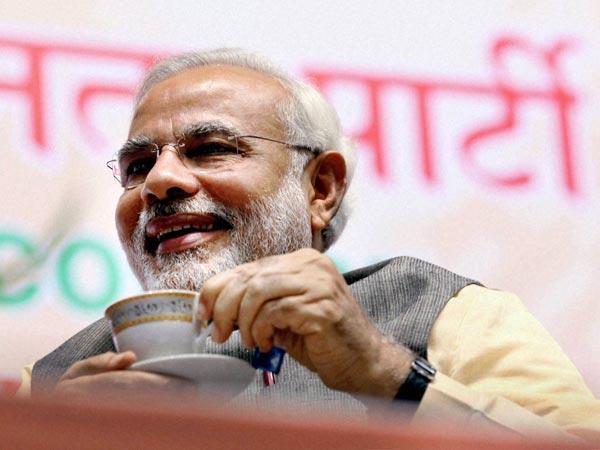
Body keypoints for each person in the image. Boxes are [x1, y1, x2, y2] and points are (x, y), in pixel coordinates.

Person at [17, 48, 599, 444]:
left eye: (212, 149)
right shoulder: (52, 380)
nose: (160, 182)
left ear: (321, 188)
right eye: (138, 166)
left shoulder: (438, 310)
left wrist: (388, 375)